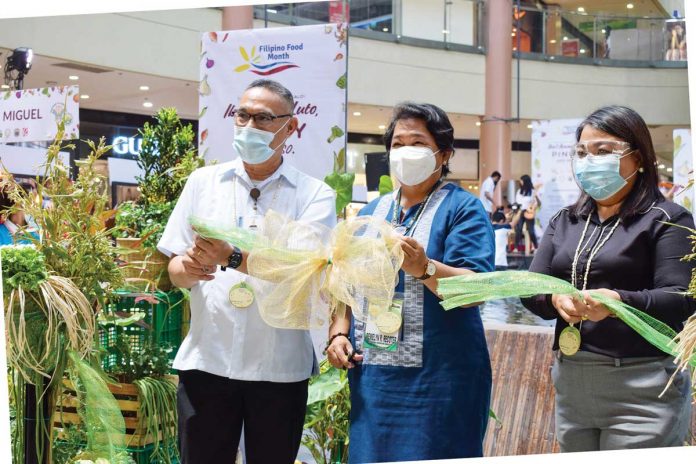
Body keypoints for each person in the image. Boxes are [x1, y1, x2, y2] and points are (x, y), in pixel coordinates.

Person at [157, 79, 336, 464]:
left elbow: (301, 269)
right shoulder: (204, 183)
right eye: (242, 115)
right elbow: (172, 269)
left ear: (290, 128)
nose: (249, 126)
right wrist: (188, 268)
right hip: (208, 360)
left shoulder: (314, 194)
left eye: (264, 118)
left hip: (279, 367)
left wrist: (232, 257)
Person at [326, 102, 495, 462]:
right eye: (398, 144)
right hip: (375, 379)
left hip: (441, 379)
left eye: (417, 143)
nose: (405, 152)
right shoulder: (371, 213)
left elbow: (476, 290)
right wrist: (339, 332)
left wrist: (425, 268)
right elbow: (345, 282)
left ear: (444, 153)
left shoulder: (463, 209)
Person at [521, 105, 694, 451]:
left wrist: (619, 303)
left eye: (604, 151)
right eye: (582, 152)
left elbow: (682, 299)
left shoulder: (667, 220)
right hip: (572, 381)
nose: (590, 160)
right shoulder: (565, 221)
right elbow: (530, 289)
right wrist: (555, 300)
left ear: (640, 158)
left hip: (642, 384)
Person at [514, 174, 540, 252]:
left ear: (525, 181)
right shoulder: (519, 191)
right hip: (520, 212)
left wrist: (536, 199)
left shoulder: (532, 192)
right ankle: (516, 247)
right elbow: (517, 202)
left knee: (531, 231)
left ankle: (536, 247)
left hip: (529, 212)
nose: (520, 182)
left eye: (521, 180)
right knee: (518, 229)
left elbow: (537, 203)